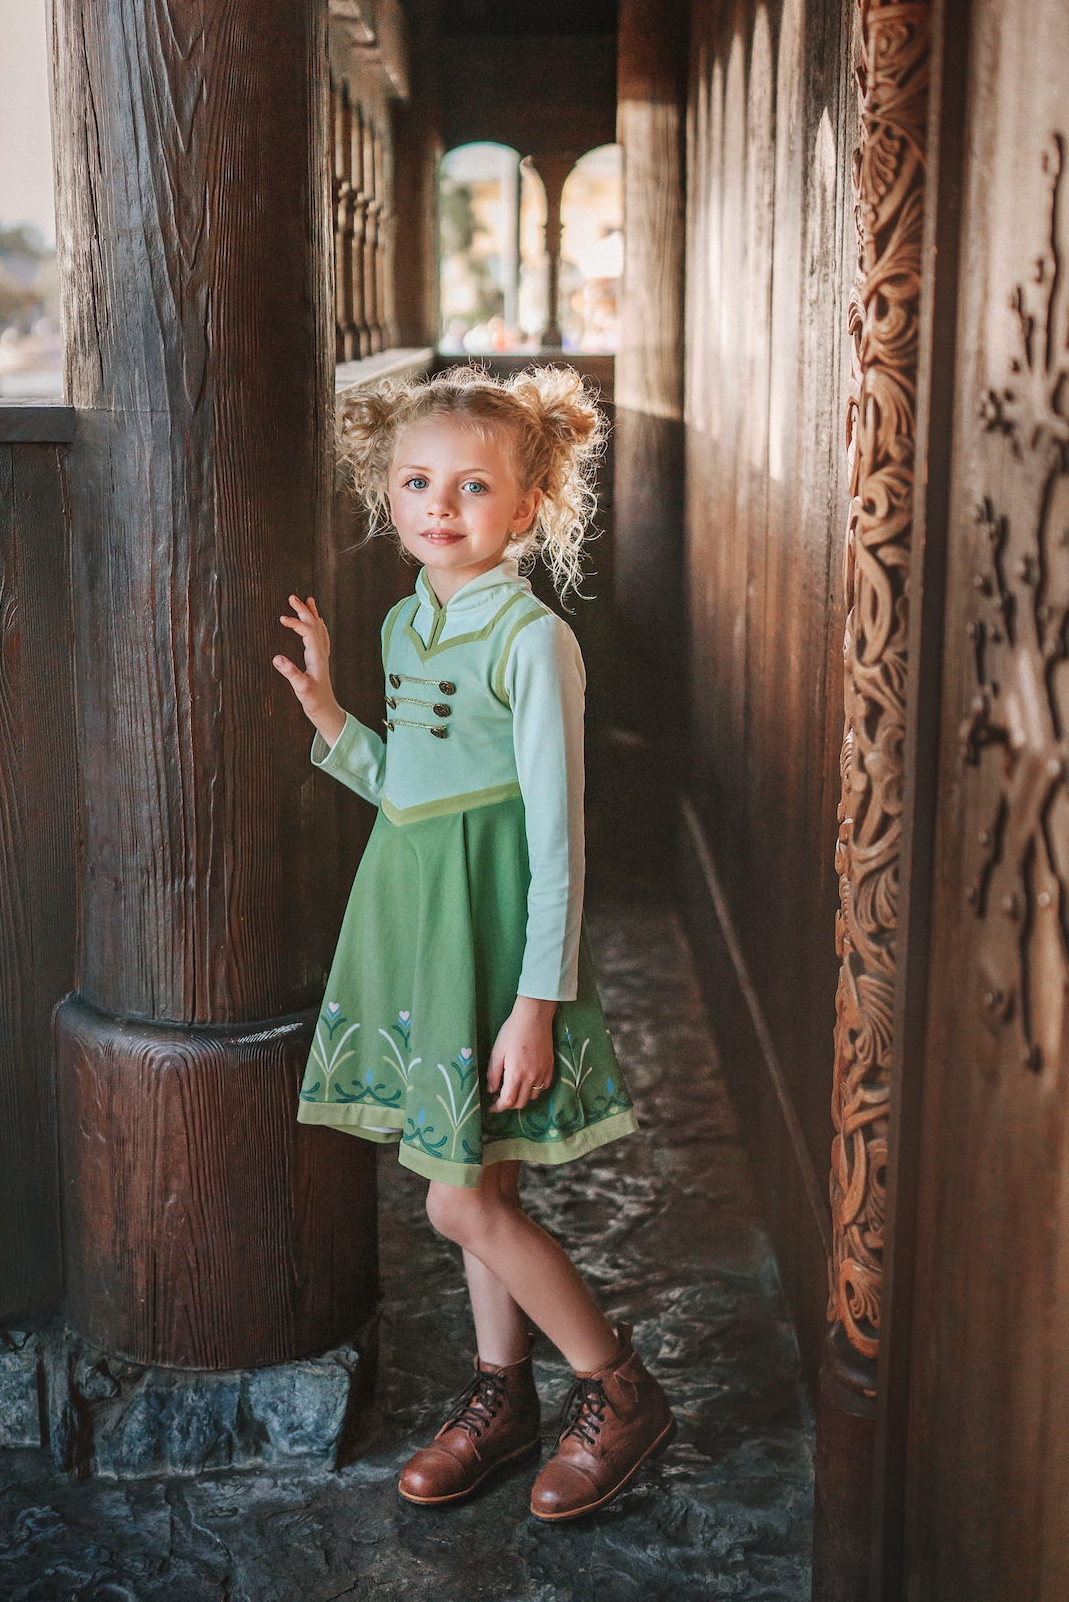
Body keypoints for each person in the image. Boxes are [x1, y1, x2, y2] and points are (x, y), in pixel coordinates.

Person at [272, 363, 675, 1521]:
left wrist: (536, 1001)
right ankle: (503, 1400)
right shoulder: (404, 621)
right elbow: (409, 788)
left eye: (473, 485)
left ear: (528, 507)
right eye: (415, 481)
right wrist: (336, 721)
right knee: (471, 1168)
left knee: (455, 1201)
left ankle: (619, 1388)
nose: (439, 505)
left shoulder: (533, 641)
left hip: (494, 933)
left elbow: (559, 839)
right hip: (414, 915)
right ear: (385, 495)